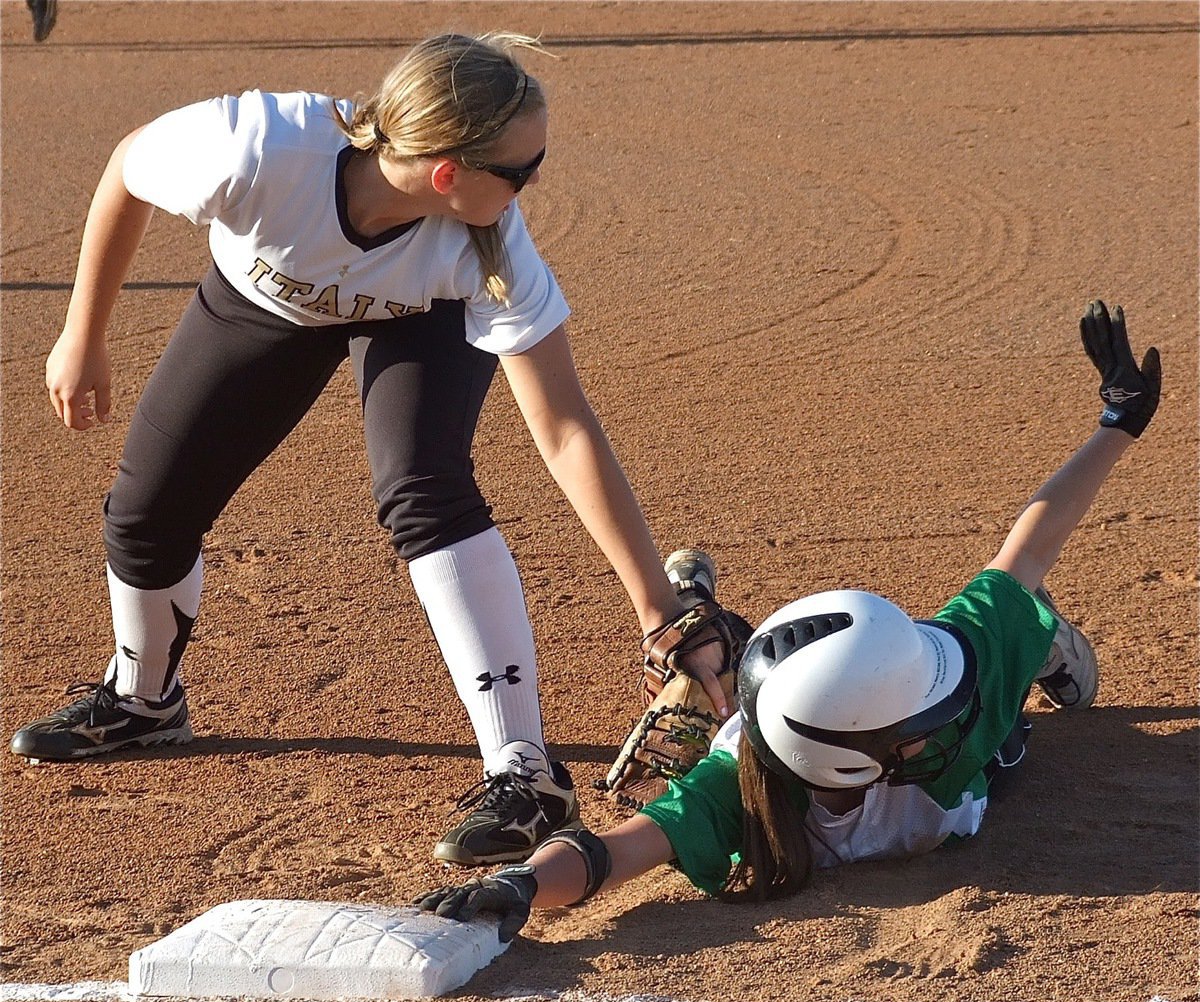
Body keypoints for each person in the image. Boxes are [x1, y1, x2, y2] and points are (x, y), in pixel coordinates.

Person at [8, 31, 729, 867]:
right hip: (262, 300)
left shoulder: (484, 245)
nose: (533, 184)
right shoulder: (255, 148)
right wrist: (80, 334)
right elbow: (129, 165)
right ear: (450, 172)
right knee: (145, 512)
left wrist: (656, 609)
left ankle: (526, 774)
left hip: (421, 319)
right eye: (521, 171)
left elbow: (563, 425)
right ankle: (143, 700)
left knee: (424, 489)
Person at [416, 299, 1161, 939]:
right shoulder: (735, 794)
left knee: (1007, 663)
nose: (939, 712)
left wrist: (1118, 423)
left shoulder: (939, 689)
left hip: (946, 722)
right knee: (705, 748)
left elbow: (1025, 552)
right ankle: (709, 643)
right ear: (854, 759)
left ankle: (1035, 640)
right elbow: (610, 852)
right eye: (916, 723)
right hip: (807, 734)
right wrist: (518, 885)